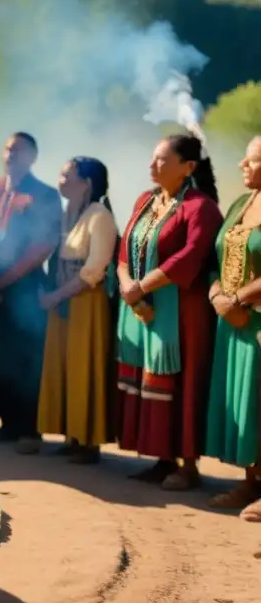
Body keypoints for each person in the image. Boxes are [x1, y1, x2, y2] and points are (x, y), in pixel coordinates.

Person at [115, 134, 223, 491]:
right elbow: (123, 250)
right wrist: (129, 287)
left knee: (184, 383)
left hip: (182, 313)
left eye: (162, 160)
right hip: (142, 308)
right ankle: (163, 458)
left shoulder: (200, 207)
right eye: (153, 157)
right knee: (150, 379)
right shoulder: (145, 201)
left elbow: (191, 256)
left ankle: (188, 464)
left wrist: (141, 288)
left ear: (188, 167)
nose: (152, 165)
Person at [20, 157, 118, 463]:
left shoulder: (99, 216)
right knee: (62, 367)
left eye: (67, 175)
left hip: (86, 304)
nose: (60, 179)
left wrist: (56, 296)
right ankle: (71, 434)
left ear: (86, 183)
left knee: (83, 367)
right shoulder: (67, 215)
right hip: (64, 303)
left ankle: (88, 442)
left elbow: (94, 270)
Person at [0, 132, 63, 443]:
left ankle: (28, 426)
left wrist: (1, 282)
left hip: (23, 286)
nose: (12, 154)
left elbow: (43, 245)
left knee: (26, 356)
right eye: (8, 148)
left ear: (33, 157)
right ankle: (6, 422)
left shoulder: (45, 195)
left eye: (20, 150)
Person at [204, 136, 261, 510]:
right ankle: (251, 482)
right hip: (232, 321)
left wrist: (239, 299)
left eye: (252, 160)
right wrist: (217, 297)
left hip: (255, 319)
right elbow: (217, 256)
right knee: (244, 402)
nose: (243, 165)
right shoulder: (243, 203)